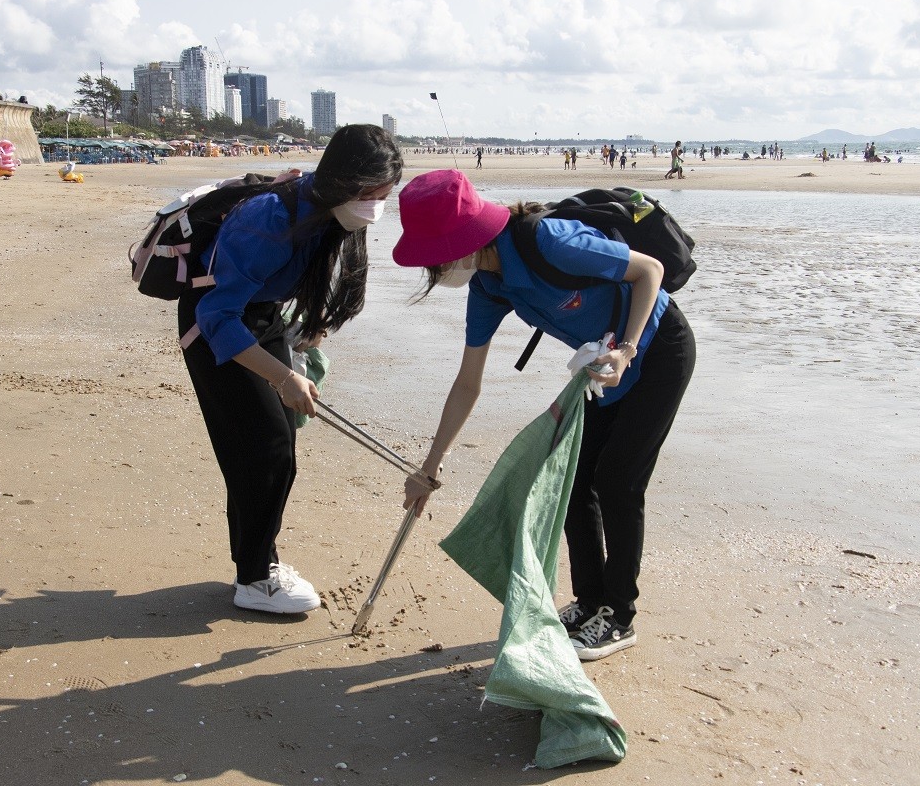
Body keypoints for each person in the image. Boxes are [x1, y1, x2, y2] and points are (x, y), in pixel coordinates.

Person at [392, 170, 696, 660]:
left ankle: (619, 617)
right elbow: (468, 382)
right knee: (573, 480)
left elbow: (650, 271)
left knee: (619, 481)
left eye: (433, 257)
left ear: (463, 239)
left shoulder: (549, 241)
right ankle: (590, 602)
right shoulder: (488, 288)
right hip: (600, 369)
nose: (433, 269)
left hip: (657, 351)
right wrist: (429, 467)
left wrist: (628, 351)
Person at [179, 124, 402, 614]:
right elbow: (215, 315)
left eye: (386, 196)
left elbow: (309, 280)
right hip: (218, 324)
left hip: (264, 317)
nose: (376, 207)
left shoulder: (329, 215)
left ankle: (259, 561)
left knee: (277, 440)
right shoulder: (268, 221)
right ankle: (255, 579)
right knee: (266, 450)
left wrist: (305, 345)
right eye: (371, 194)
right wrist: (281, 377)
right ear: (341, 183)